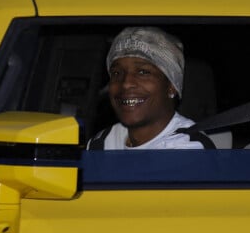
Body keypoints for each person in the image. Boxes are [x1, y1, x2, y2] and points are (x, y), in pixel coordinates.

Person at [87, 26, 215, 150]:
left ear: (171, 86)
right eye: (116, 73)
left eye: (143, 72)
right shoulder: (101, 143)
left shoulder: (190, 149)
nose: (126, 83)